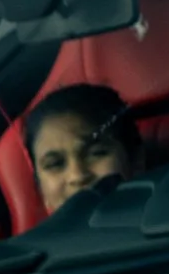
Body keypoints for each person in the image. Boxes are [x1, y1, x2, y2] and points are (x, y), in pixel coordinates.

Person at [24, 83, 140, 218]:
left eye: (96, 153)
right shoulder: (39, 239)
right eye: (55, 164)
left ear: (136, 160)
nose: (77, 176)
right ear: (41, 188)